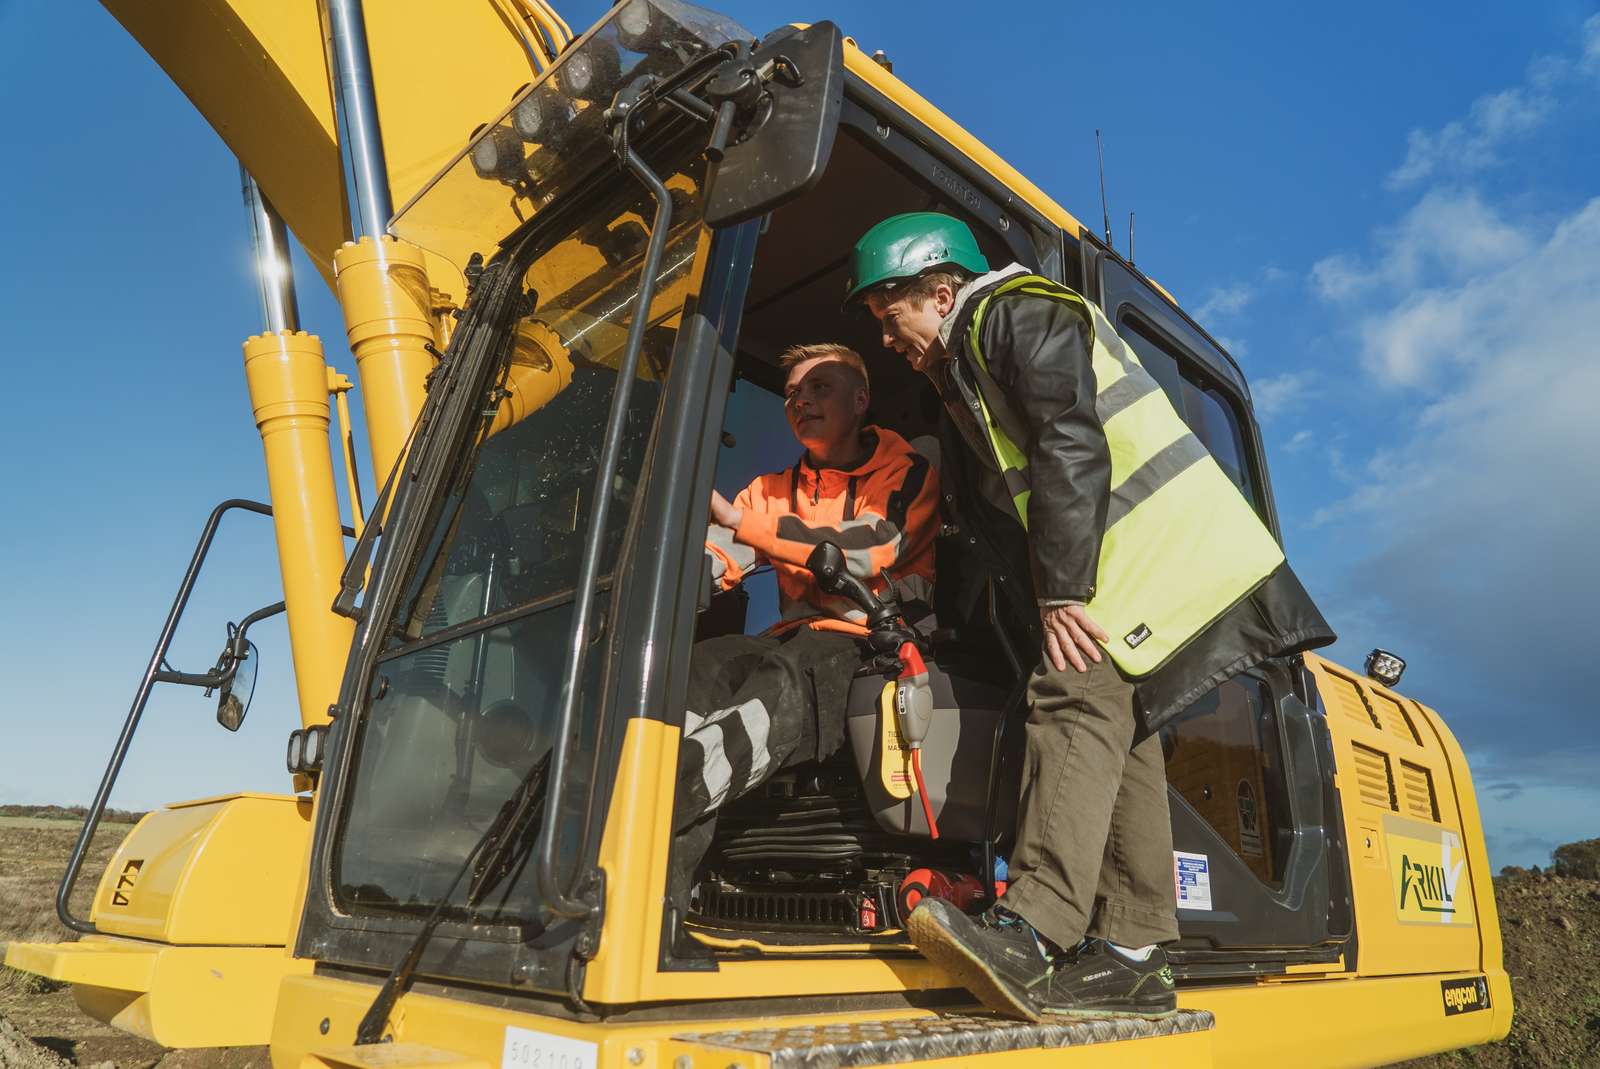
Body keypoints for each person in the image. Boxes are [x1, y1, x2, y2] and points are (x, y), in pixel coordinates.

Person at [846, 212, 1334, 1020]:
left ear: (939, 293)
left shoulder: (1013, 314)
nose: (888, 342)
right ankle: (1135, 955)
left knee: (1070, 693)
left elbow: (1071, 442)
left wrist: (1060, 594)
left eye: (890, 319)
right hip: (1140, 563)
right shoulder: (968, 367)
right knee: (1126, 735)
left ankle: (1032, 928)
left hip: (1137, 562)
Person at [669, 342, 940, 921]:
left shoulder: (906, 470)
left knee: (771, 690)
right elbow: (723, 551)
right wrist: (686, 565)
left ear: (861, 399)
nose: (800, 402)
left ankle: (657, 806)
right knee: (689, 677)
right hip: (789, 638)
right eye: (792, 394)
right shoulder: (768, 488)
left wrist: (747, 524)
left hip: (868, 645)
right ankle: (655, 894)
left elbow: (870, 550)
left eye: (819, 388)